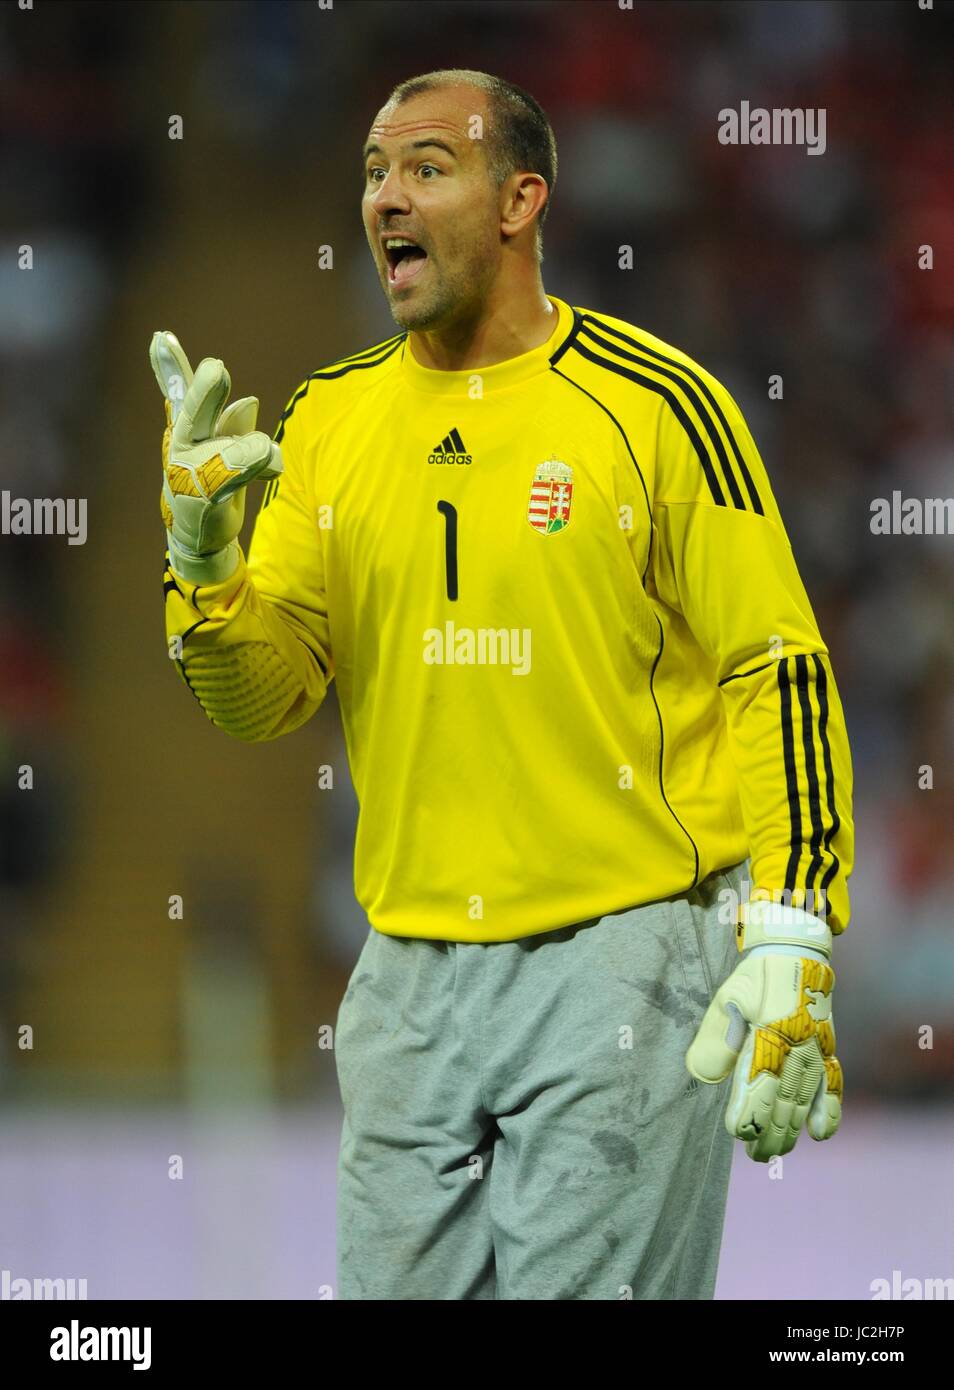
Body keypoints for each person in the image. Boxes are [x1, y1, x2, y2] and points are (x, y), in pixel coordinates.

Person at [151, 68, 854, 1301]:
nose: (386, 196)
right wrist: (205, 571)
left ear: (522, 197)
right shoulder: (328, 419)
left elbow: (775, 659)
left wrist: (793, 925)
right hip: (404, 976)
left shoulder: (659, 406)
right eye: (373, 171)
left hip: (620, 961)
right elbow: (267, 696)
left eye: (427, 165)